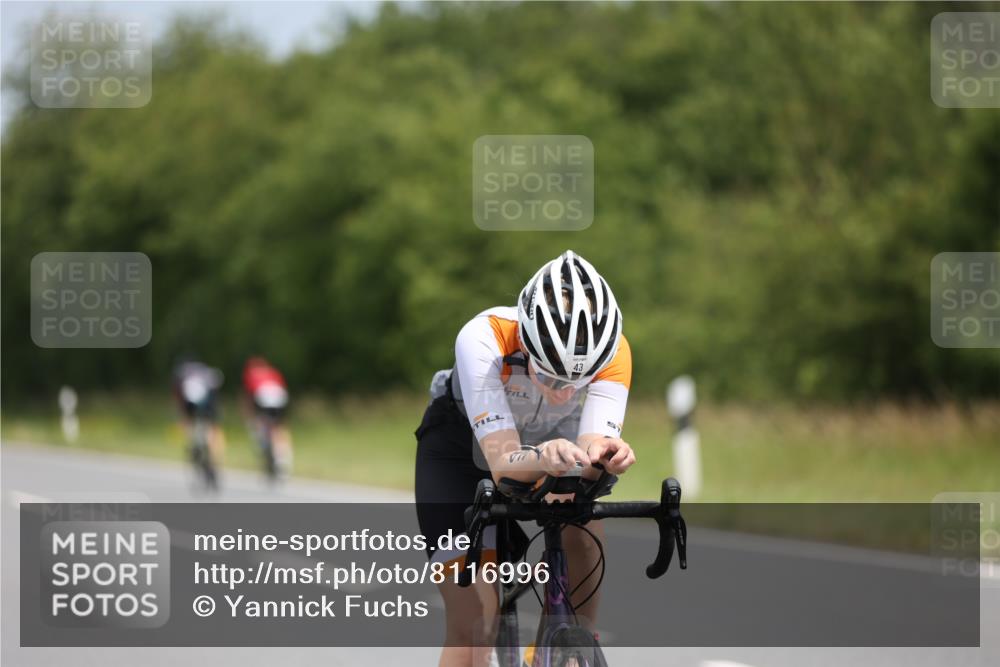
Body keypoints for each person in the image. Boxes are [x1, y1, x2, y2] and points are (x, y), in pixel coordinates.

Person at [415, 250, 636, 667]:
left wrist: (606, 456)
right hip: (461, 453)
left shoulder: (614, 351)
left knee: (587, 522)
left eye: (579, 382)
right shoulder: (485, 337)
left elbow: (590, 447)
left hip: (554, 450)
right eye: (550, 376)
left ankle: (562, 651)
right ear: (527, 346)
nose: (564, 393)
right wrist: (542, 454)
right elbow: (500, 464)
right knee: (474, 629)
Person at [171, 358, 226, 472]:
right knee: (213, 428)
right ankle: (215, 457)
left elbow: (179, 397)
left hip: (191, 401)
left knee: (189, 422)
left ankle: (194, 446)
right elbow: (216, 387)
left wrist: (182, 416)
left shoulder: (181, 373)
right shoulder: (206, 371)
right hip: (209, 399)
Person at [242, 356, 293, 475]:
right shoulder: (273, 372)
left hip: (263, 397)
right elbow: (282, 388)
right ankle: (284, 458)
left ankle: (263, 445)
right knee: (280, 428)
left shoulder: (251, 373)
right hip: (279, 397)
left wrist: (248, 415)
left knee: (261, 423)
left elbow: (248, 396)